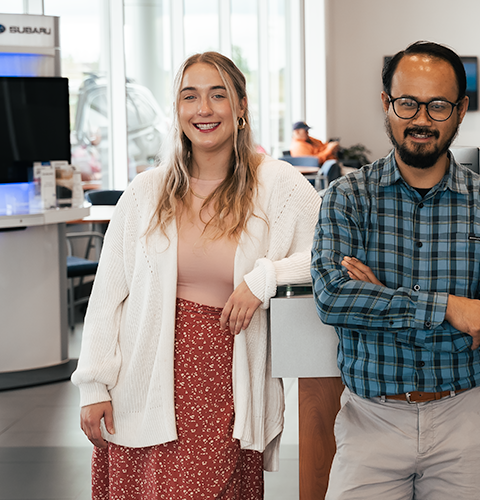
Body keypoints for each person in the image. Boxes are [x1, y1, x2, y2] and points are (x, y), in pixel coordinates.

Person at [71, 51, 321, 499]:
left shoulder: (277, 184)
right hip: (143, 384)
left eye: (217, 95)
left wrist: (263, 280)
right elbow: (107, 297)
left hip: (228, 381)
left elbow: (330, 254)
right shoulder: (146, 192)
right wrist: (93, 385)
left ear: (241, 106)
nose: (203, 110)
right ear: (178, 109)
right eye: (190, 96)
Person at [311, 40, 480, 499]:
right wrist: (450, 308)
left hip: (464, 418)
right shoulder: (347, 197)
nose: (421, 120)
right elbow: (332, 298)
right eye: (408, 103)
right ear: (386, 103)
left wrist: (377, 302)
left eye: (438, 106)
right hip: (370, 418)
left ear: (461, 109)